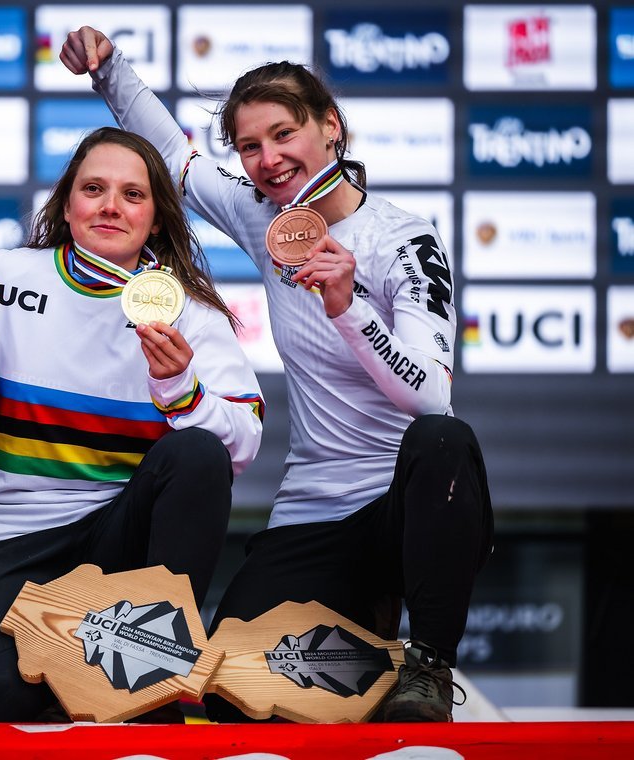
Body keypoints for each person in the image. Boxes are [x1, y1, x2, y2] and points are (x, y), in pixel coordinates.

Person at [61, 29, 494, 723]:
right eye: (249, 146)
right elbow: (175, 155)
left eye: (283, 134)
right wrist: (108, 68)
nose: (267, 160)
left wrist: (349, 307)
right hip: (316, 505)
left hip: (403, 508)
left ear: (331, 128)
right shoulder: (266, 216)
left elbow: (429, 397)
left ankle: (430, 665)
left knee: (444, 442)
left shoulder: (401, 239)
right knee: (234, 698)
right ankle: (371, 652)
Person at [0, 126, 265, 723]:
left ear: (156, 218)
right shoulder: (0, 278)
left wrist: (180, 390)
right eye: (93, 189)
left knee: (196, 452)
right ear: (67, 204)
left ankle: (159, 666)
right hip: (10, 542)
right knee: (13, 697)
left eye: (133, 194)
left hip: (118, 537)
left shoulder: (190, 312)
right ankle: (126, 667)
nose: (111, 206)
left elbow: (242, 441)